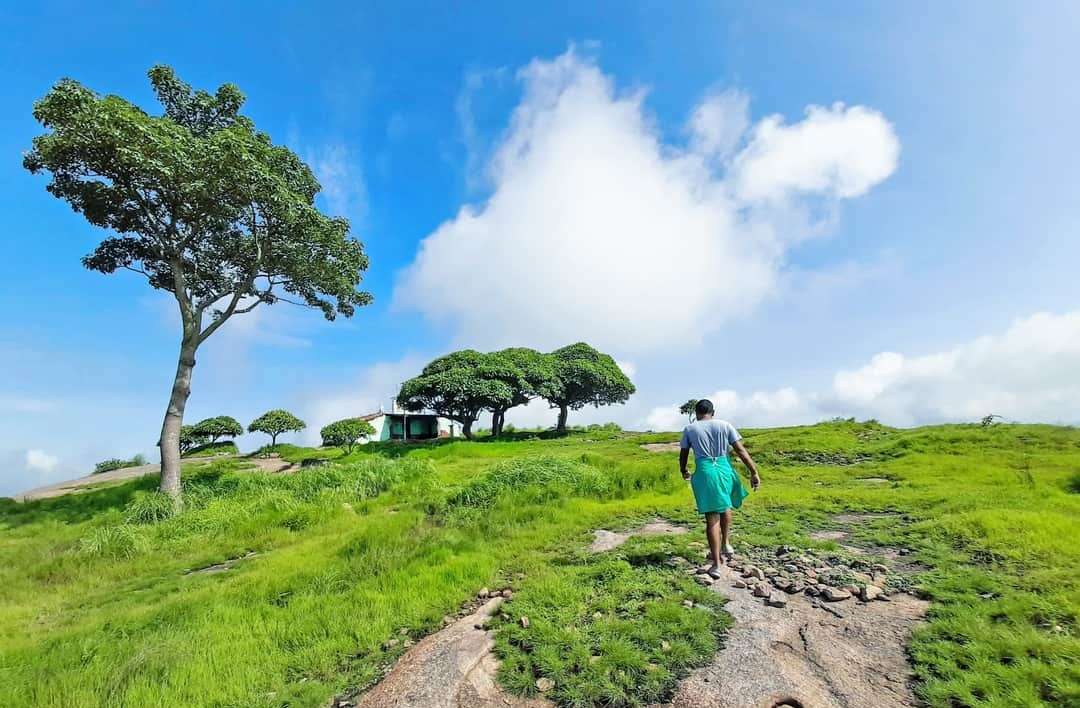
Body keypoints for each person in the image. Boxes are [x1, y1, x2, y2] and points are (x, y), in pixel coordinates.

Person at [679, 398, 761, 578]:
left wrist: (684, 470)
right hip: (724, 469)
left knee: (711, 518)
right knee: (725, 506)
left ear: (696, 413)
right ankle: (726, 543)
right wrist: (753, 472)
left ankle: (716, 564)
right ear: (713, 412)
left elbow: (684, 454)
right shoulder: (725, 425)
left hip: (706, 471)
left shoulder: (690, 429)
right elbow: (741, 451)